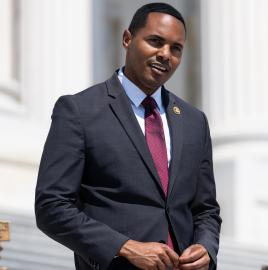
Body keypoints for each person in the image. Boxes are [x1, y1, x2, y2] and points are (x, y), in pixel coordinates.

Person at [35, 3, 221, 270]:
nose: (165, 54)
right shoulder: (80, 111)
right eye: (155, 41)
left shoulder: (194, 122)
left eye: (175, 48)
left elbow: (206, 210)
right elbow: (51, 207)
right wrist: (123, 247)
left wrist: (206, 248)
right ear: (127, 39)